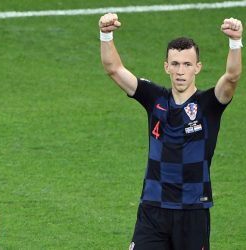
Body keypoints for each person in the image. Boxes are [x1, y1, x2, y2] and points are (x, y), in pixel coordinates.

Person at [99, 13, 242, 250]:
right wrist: (106, 34)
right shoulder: (154, 97)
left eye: (187, 64)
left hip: (192, 210)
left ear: (198, 67)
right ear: (166, 67)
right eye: (175, 64)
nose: (180, 71)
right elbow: (113, 68)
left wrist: (235, 42)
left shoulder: (209, 104)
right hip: (153, 209)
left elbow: (232, 76)